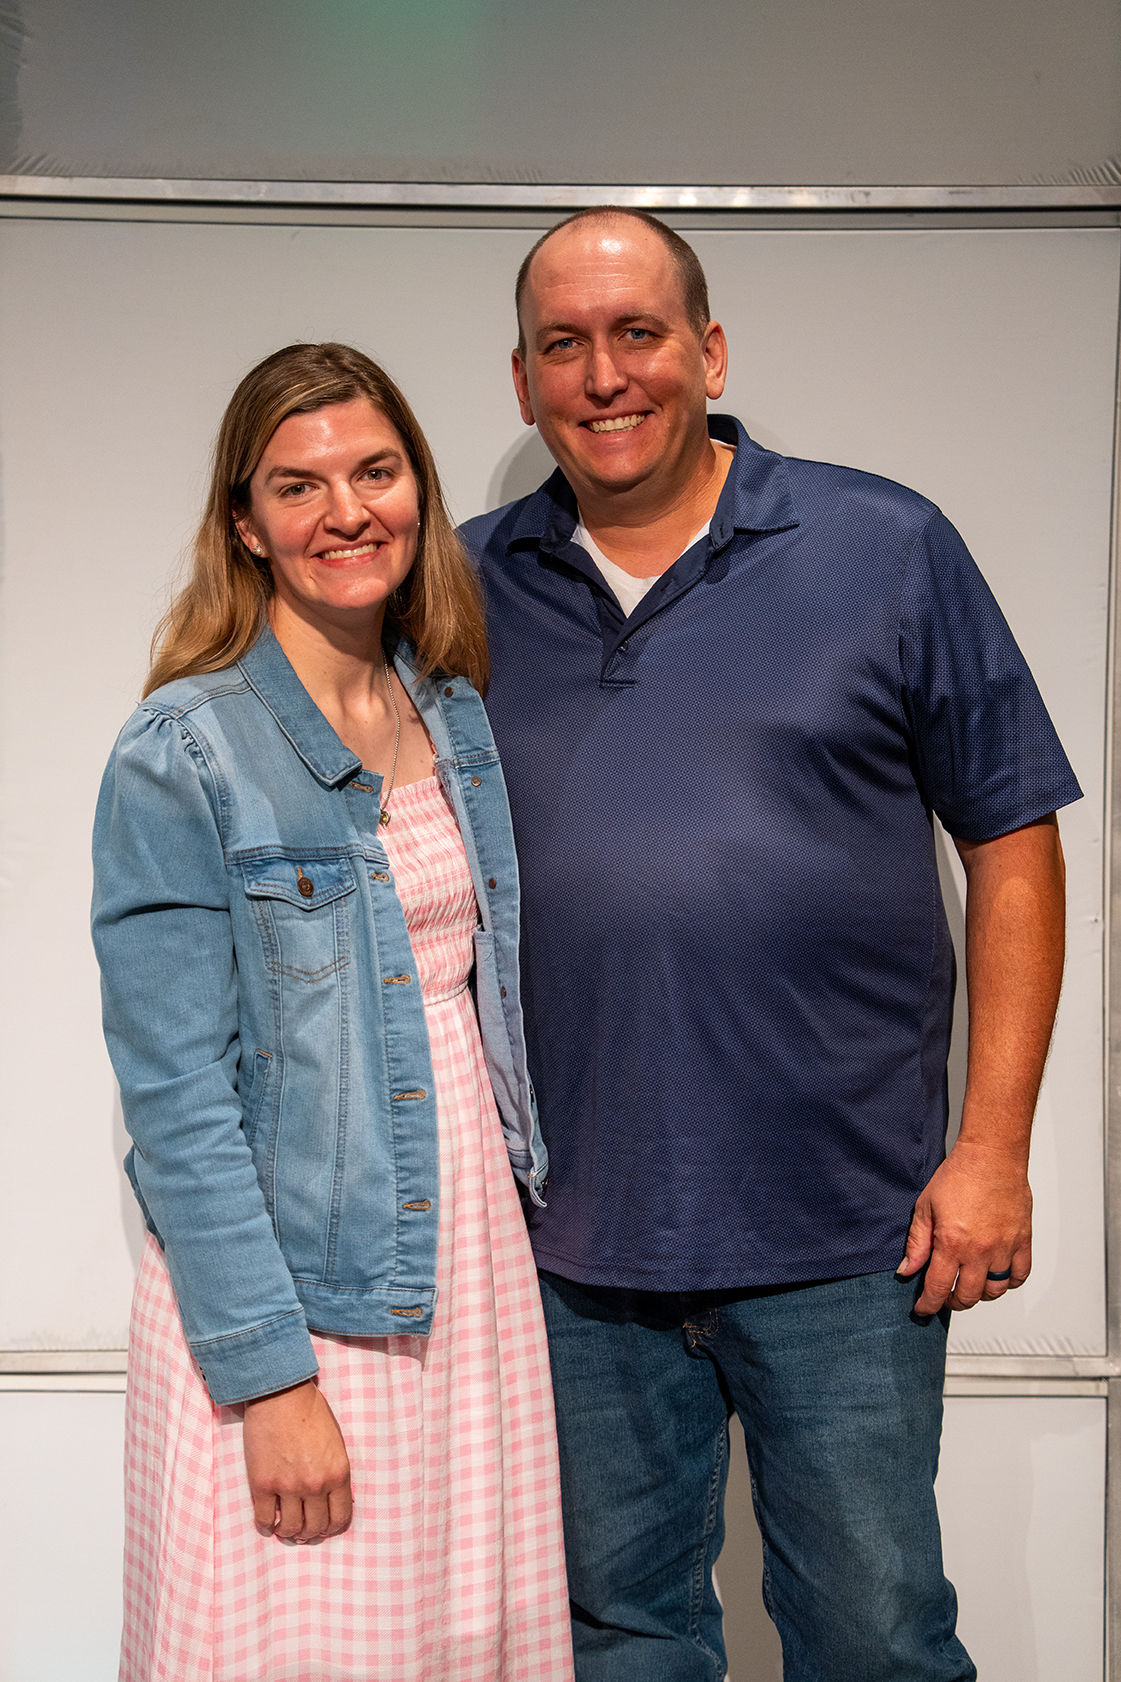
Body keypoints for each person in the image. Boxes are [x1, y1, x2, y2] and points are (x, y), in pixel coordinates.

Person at [459, 209, 1081, 1682]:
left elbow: (1014, 844)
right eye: (565, 344)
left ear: (708, 349)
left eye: (638, 333)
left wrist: (993, 1146)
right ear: (522, 378)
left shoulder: (884, 546)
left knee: (873, 1639)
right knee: (625, 1644)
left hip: (852, 1232)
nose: (605, 374)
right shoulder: (460, 587)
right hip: (569, 1246)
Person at [92, 342, 574, 1682]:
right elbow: (178, 1100)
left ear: (417, 487)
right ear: (244, 521)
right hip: (307, 1292)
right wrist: (271, 1376)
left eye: (375, 471)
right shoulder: (186, 747)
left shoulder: (449, 710)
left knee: (457, 1641)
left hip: (468, 1267)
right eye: (297, 486)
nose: (345, 511)